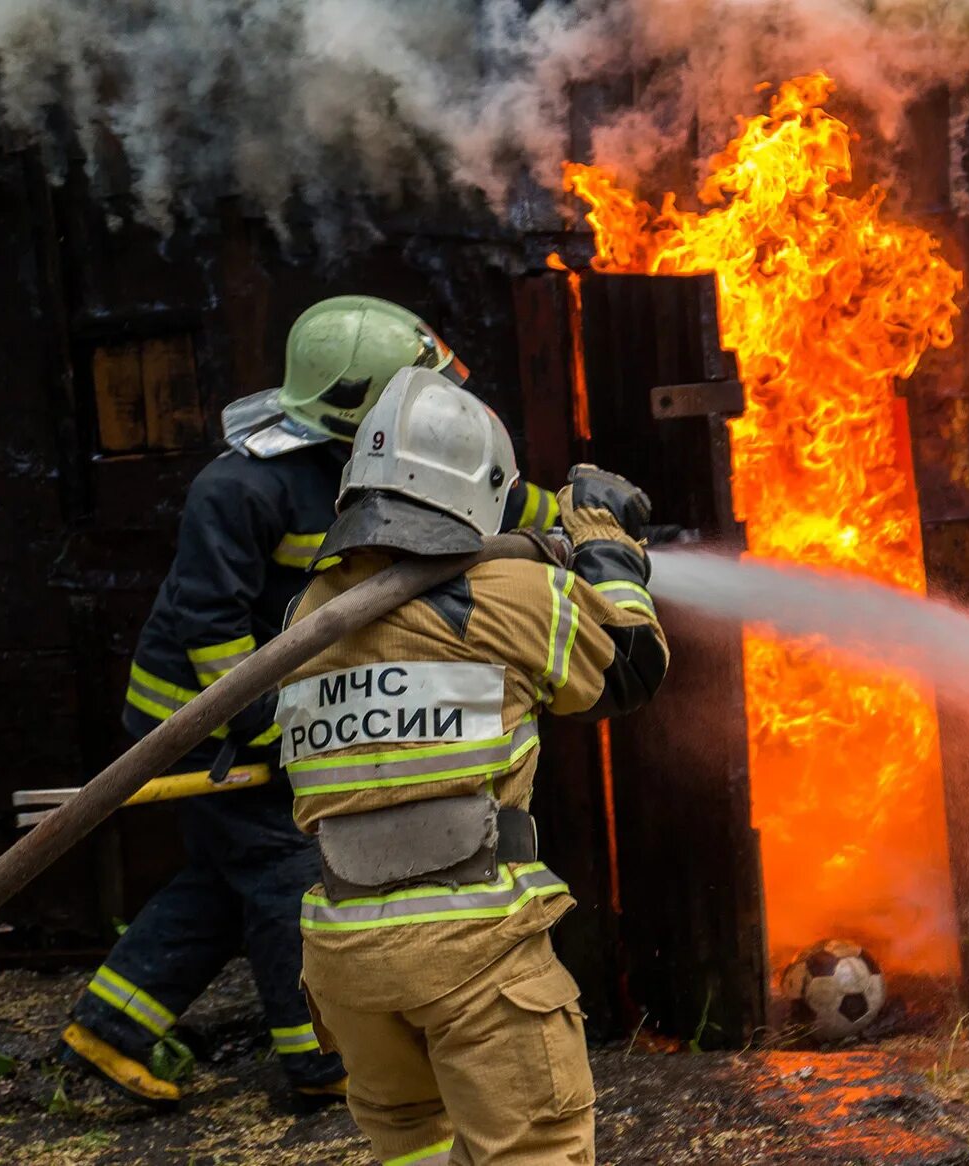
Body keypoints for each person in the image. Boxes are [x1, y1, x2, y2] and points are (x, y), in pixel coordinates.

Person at [61, 296, 556, 1107]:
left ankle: (108, 1027)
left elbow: (484, 498)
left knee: (226, 882)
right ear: (363, 405)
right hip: (197, 725)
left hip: (272, 713)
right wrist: (261, 721)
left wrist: (570, 519)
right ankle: (320, 1062)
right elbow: (207, 621)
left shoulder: (370, 460)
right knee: (291, 877)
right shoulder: (241, 490)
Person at [278, 367, 669, 1164]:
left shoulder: (308, 616)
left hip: (346, 959)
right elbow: (632, 665)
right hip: (471, 953)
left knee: (417, 1147)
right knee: (534, 1148)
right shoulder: (505, 597)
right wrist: (608, 552)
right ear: (484, 492)